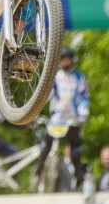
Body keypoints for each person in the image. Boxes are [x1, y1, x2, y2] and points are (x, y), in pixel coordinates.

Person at [35, 47, 90, 187]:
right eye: (63, 59)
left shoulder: (79, 77)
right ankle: (38, 172)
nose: (65, 62)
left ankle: (79, 180)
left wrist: (84, 110)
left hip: (73, 119)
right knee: (46, 147)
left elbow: (84, 96)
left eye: (67, 59)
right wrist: (37, 109)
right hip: (56, 119)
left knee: (75, 152)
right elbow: (46, 95)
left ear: (72, 60)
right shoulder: (54, 76)